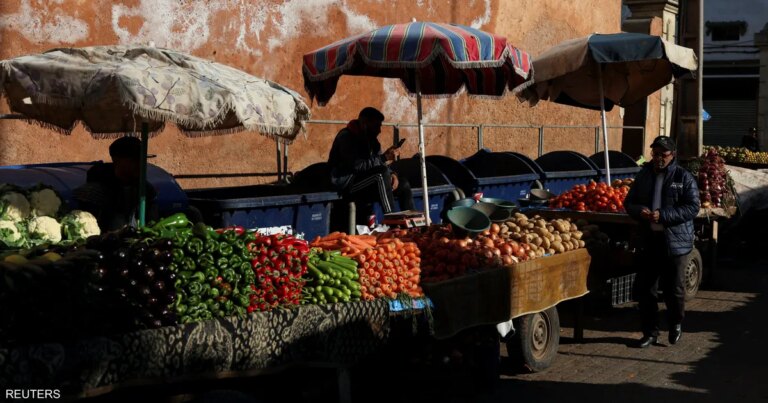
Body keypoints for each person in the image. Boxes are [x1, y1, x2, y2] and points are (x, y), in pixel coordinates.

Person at [624, 135, 700, 348]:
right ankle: (650, 333)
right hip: (649, 240)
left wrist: (663, 215)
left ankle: (676, 322)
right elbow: (629, 202)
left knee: (673, 289)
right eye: (655, 154)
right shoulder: (644, 175)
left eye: (663, 154)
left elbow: (693, 207)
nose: (658, 158)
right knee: (645, 290)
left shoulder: (683, 177)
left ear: (672, 155)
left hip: (676, 243)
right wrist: (640, 211)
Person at [327, 107, 414, 221]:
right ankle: (392, 220)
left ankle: (412, 222)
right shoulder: (346, 137)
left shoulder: (373, 141)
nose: (379, 130)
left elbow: (380, 163)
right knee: (381, 175)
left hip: (368, 182)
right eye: (376, 126)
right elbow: (356, 165)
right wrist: (384, 158)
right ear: (364, 124)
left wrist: (392, 174)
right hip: (347, 184)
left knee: (403, 183)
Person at [74, 136, 158, 232]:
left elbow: (153, 223)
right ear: (117, 160)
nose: (141, 164)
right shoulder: (95, 190)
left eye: (143, 160)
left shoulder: (147, 190)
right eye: (134, 160)